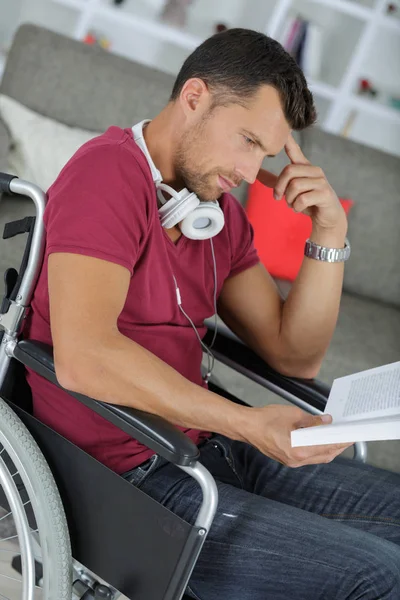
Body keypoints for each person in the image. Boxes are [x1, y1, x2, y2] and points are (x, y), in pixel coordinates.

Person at [23, 28, 400, 600]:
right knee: (377, 578)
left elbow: (293, 355)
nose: (252, 174)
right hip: (133, 480)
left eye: (265, 153)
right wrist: (248, 422)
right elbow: (84, 358)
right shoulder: (107, 175)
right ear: (195, 96)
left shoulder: (216, 214)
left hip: (213, 447)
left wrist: (329, 233)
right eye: (247, 140)